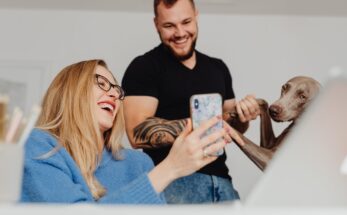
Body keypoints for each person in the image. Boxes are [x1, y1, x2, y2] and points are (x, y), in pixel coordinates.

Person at [20, 59, 243, 204]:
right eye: (101, 83)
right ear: (70, 90)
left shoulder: (138, 163)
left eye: (117, 90)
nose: (114, 95)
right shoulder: (40, 147)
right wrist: (170, 168)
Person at [121, 0, 260, 204]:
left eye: (186, 21)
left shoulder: (218, 67)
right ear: (156, 24)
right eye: (169, 25)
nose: (180, 32)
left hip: (222, 182)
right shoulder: (143, 67)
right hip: (175, 183)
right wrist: (203, 125)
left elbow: (231, 125)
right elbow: (136, 132)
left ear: (196, 15)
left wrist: (244, 114)